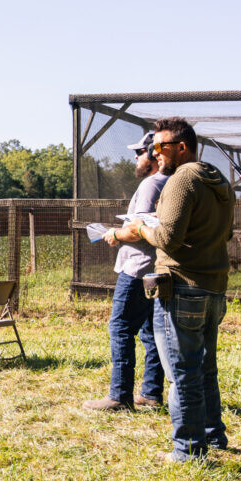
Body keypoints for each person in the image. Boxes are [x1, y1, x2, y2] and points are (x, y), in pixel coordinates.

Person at [124, 117, 235, 462]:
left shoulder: (181, 180)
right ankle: (212, 434)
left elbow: (168, 239)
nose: (155, 153)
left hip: (182, 288)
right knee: (205, 368)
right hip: (213, 289)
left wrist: (141, 228)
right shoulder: (217, 180)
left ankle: (188, 450)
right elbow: (225, 235)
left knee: (183, 372)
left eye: (160, 146)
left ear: (181, 147)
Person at [83, 132, 167, 412]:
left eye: (140, 152)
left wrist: (115, 234)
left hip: (137, 268)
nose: (135, 157)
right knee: (150, 332)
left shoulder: (151, 184)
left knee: (120, 328)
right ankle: (151, 394)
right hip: (157, 269)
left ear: (154, 154)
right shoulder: (172, 183)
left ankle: (120, 396)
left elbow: (142, 229)